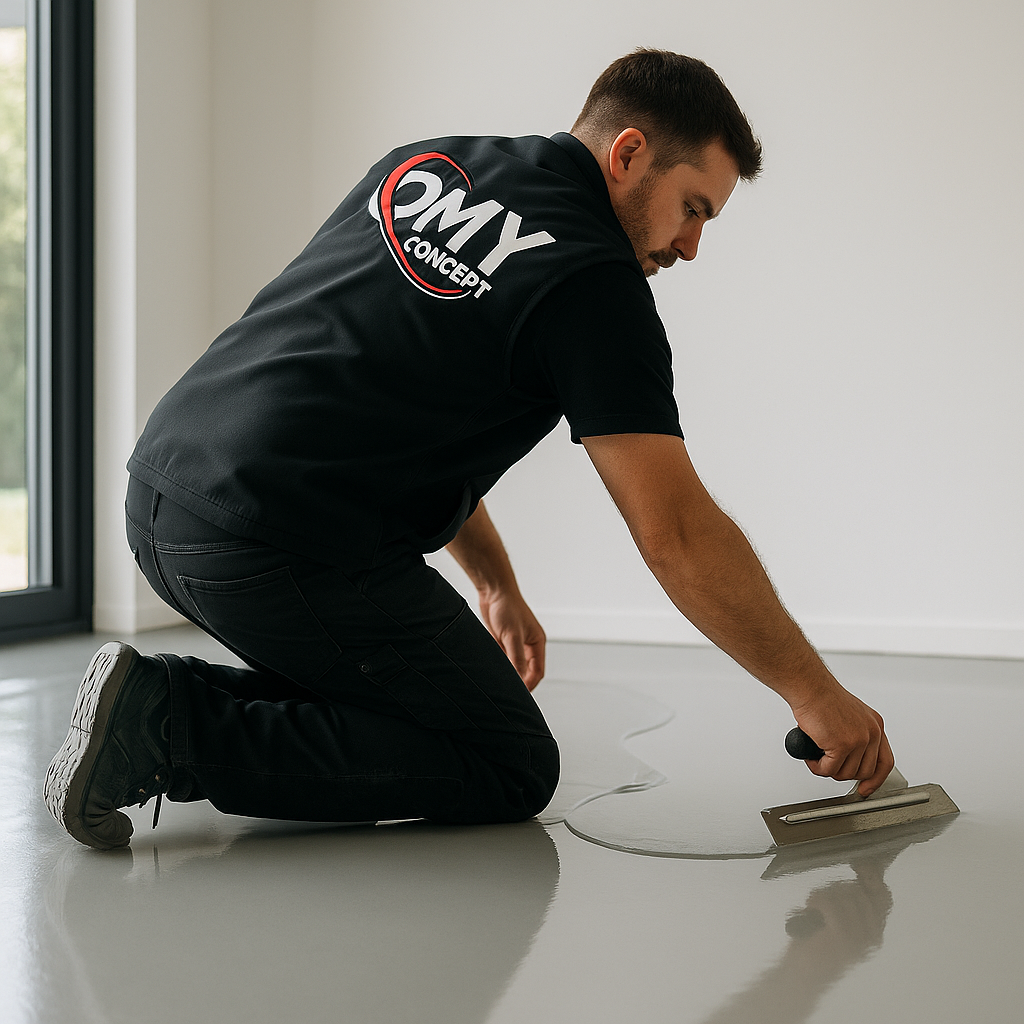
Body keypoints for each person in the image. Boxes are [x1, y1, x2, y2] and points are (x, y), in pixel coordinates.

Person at [44, 49, 894, 851]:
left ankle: (147, 701)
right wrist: (813, 693)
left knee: (410, 692)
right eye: (694, 208)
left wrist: (494, 583)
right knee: (505, 759)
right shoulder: (595, 286)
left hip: (161, 500)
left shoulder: (431, 163)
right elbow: (674, 531)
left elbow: (376, 401)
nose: (691, 246)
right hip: (275, 548)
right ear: (630, 153)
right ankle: (168, 727)